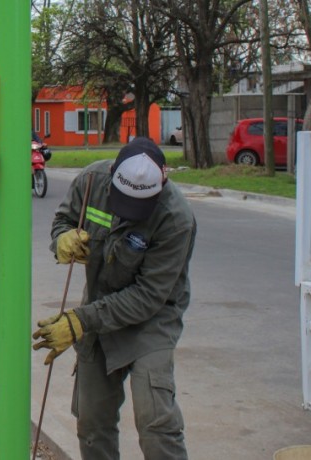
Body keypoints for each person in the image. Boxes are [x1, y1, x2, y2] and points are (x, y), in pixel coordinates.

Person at [32, 136, 196, 459]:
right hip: (98, 309)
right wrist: (62, 239)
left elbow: (148, 297)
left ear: (162, 181)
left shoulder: (176, 218)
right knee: (92, 422)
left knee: (155, 421)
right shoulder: (92, 181)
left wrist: (79, 320)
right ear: (113, 172)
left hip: (152, 322)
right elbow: (63, 220)